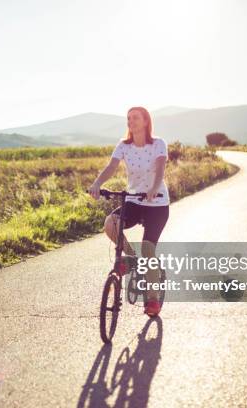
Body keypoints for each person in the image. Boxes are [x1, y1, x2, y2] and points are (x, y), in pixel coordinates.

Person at [88, 106, 170, 317]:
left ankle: (152, 301)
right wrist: (97, 183)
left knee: (148, 250)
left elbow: (160, 169)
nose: (130, 121)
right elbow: (111, 166)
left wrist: (153, 189)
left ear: (145, 121)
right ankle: (132, 259)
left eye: (135, 118)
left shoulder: (158, 144)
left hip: (157, 203)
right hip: (134, 200)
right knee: (110, 224)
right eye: (128, 118)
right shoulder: (124, 146)